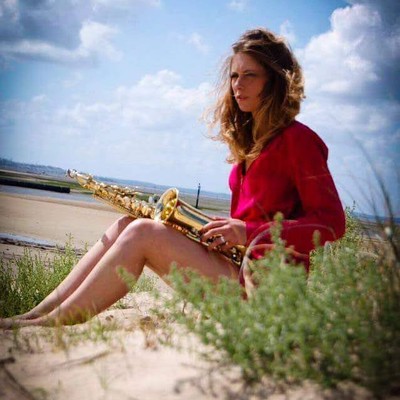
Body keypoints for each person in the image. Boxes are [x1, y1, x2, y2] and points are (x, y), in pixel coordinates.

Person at [0, 28, 345, 328]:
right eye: (234, 76)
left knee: (142, 233)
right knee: (126, 224)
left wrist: (247, 231)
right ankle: (36, 314)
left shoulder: (299, 141)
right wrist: (213, 231)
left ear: (275, 81)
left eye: (249, 75)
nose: (237, 85)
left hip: (268, 292)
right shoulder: (253, 142)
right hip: (237, 269)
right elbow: (250, 222)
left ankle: (54, 323)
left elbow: (331, 223)